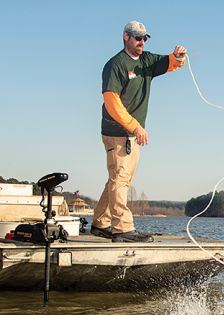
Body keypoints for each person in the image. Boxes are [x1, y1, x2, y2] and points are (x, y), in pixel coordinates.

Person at [91, 21, 187, 242]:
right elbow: (111, 102)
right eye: (137, 37)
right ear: (125, 36)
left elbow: (169, 62)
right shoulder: (115, 65)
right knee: (120, 179)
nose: (141, 42)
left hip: (132, 133)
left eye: (145, 38)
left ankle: (100, 222)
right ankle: (122, 228)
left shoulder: (146, 61)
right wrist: (135, 125)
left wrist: (178, 57)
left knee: (118, 178)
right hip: (117, 132)